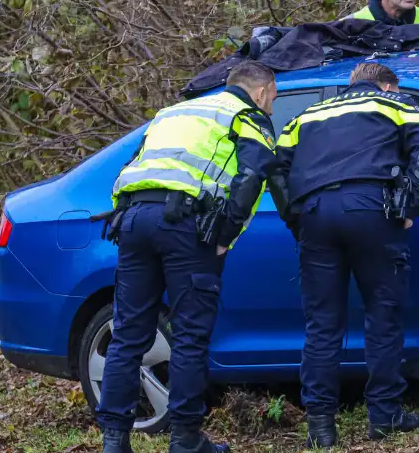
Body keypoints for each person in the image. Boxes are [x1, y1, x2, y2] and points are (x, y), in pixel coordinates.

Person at [97, 61, 291, 453]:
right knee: (189, 335)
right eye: (273, 97)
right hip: (185, 227)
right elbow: (253, 175)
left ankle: (114, 440)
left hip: (134, 220)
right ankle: (185, 440)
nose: (273, 105)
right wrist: (226, 234)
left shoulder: (172, 113)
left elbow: (132, 166)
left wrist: (123, 213)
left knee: (129, 334)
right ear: (260, 91)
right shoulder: (246, 116)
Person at [275, 62, 419, 448]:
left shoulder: (306, 115)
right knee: (382, 315)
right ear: (385, 84)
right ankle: (384, 416)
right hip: (371, 208)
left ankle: (320, 426)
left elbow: (277, 167)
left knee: (322, 324)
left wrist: (294, 219)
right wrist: (408, 206)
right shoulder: (393, 103)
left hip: (316, 214)